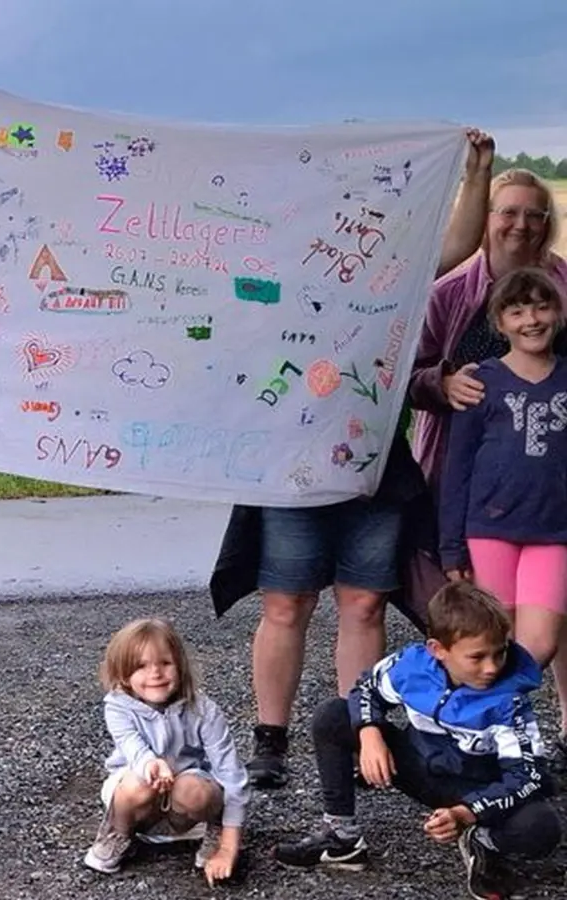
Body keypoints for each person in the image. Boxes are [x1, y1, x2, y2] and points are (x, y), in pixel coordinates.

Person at [227, 130, 501, 789]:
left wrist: (478, 169)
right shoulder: (264, 270)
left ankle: (355, 726)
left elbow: (459, 248)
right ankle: (272, 739)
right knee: (286, 605)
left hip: (372, 471)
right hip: (287, 471)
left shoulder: (389, 270)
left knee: (364, 605)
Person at [412, 164, 567, 764]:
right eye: (508, 211)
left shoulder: (562, 287)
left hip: (552, 510)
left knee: (542, 635)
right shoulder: (452, 292)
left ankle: (513, 735)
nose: (520, 224)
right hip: (486, 503)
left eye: (534, 214)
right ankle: (492, 746)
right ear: (485, 218)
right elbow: (411, 372)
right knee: (486, 636)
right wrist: (442, 381)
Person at [274, 582, 560, 900]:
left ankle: (482, 840)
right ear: (438, 650)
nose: (492, 667)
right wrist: (369, 733)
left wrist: (468, 812)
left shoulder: (509, 700)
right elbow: (366, 688)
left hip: (474, 789)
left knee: (542, 827)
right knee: (332, 715)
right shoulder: (412, 666)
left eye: (500, 652)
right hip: (417, 767)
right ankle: (340, 835)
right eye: (477, 657)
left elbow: (528, 777)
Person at [439, 269, 567, 685]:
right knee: (494, 639)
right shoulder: (482, 382)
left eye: (541, 307)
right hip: (491, 527)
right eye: (517, 311)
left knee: (538, 644)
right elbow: (457, 468)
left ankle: (493, 722)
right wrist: (451, 546)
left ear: (558, 313)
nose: (531, 320)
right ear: (500, 324)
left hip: (554, 531)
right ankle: (492, 738)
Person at [84, 618, 247, 885]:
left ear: (180, 665)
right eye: (141, 666)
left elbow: (231, 774)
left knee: (197, 789)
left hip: (187, 801)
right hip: (137, 796)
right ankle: (119, 833)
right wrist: (151, 764)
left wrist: (230, 847)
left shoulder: (204, 709)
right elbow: (132, 746)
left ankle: (214, 831)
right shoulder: (116, 706)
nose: (155, 674)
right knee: (139, 780)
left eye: (165, 663)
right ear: (123, 674)